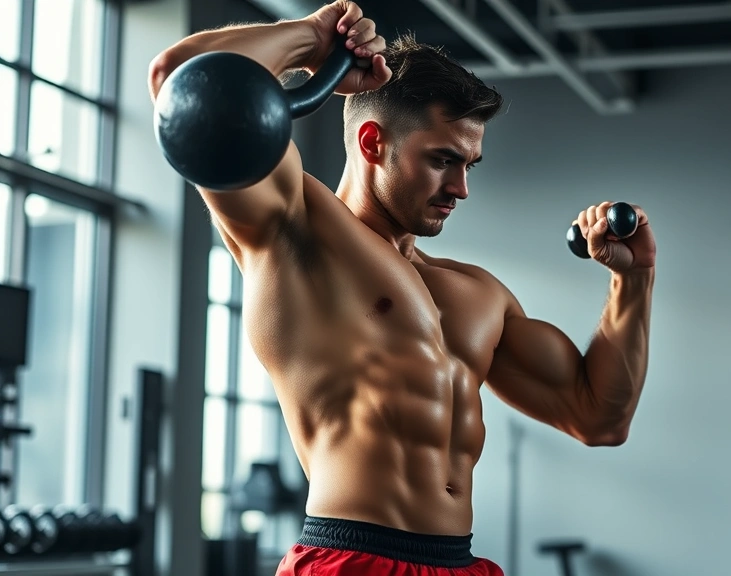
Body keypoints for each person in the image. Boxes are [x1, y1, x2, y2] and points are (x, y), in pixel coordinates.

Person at [148, 2, 657, 575]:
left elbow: (596, 416)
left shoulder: (477, 292)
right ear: (372, 143)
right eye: (443, 161)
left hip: (461, 563)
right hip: (352, 558)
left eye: (470, 164)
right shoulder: (297, 232)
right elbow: (182, 83)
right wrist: (313, 39)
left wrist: (633, 281)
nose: (461, 188)